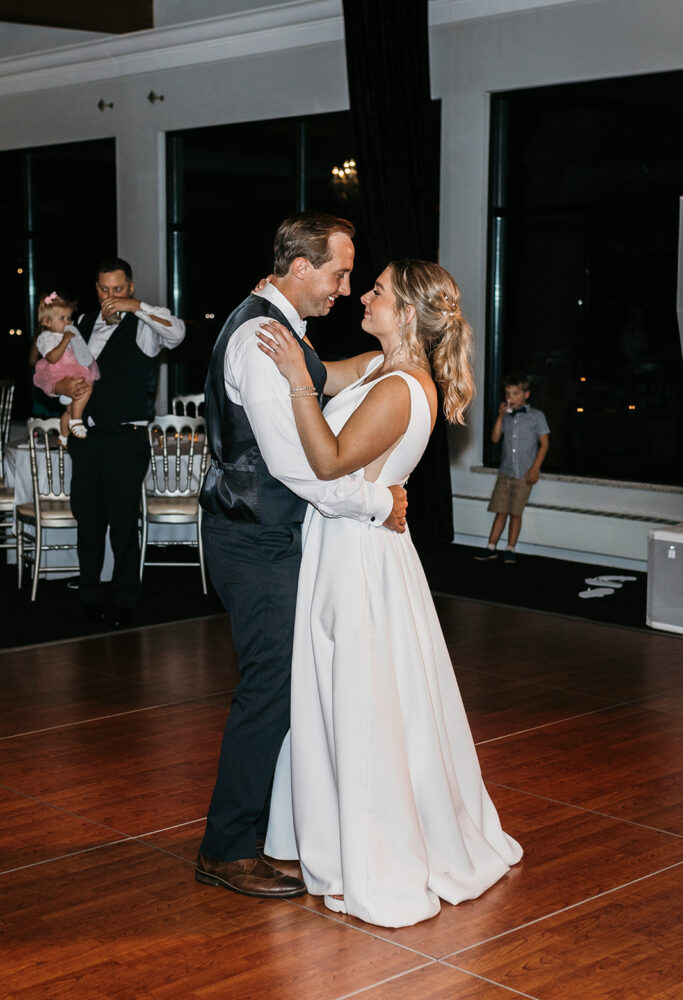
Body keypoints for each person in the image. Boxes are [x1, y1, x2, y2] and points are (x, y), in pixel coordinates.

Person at [259, 259, 523, 928]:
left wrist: (295, 385)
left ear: (406, 313)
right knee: (351, 689)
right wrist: (289, 335)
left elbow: (327, 459)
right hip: (350, 540)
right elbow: (328, 373)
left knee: (363, 696)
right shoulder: (378, 367)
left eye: (375, 290)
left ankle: (377, 852)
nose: (364, 297)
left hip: (359, 556)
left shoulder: (403, 388)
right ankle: (336, 832)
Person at [195, 213, 408, 901]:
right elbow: (296, 467)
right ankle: (226, 849)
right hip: (252, 541)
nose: (346, 289)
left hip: (262, 537)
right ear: (298, 268)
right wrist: (379, 504)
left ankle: (266, 829)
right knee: (269, 689)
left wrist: (391, 356)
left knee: (280, 686)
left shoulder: (281, 328)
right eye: (339, 273)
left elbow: (323, 378)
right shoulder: (263, 342)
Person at [52, 258, 186, 627]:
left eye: (118, 289)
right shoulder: (79, 325)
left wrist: (137, 308)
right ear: (96, 289)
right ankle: (91, 595)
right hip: (87, 436)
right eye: (104, 290)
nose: (110, 296)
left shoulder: (143, 326)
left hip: (126, 437)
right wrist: (63, 394)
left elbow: (177, 333)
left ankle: (125, 600)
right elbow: (65, 378)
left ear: (130, 287)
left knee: (123, 522)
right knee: (88, 520)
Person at [475, 373, 549, 564]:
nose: (510, 398)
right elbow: (494, 438)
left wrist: (535, 468)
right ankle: (491, 547)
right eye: (507, 394)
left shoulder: (536, 416)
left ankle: (510, 548)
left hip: (524, 475)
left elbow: (545, 444)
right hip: (505, 473)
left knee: (516, 513)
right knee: (501, 511)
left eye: (515, 393)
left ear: (526, 394)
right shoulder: (506, 417)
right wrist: (500, 416)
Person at [32, 291, 100, 446]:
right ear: (47, 322)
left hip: (73, 369)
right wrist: (65, 340)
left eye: (69, 318)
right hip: (59, 372)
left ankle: (64, 435)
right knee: (86, 389)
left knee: (70, 409)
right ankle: (77, 421)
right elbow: (52, 357)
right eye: (62, 318)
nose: (67, 322)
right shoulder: (46, 337)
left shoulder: (68, 333)